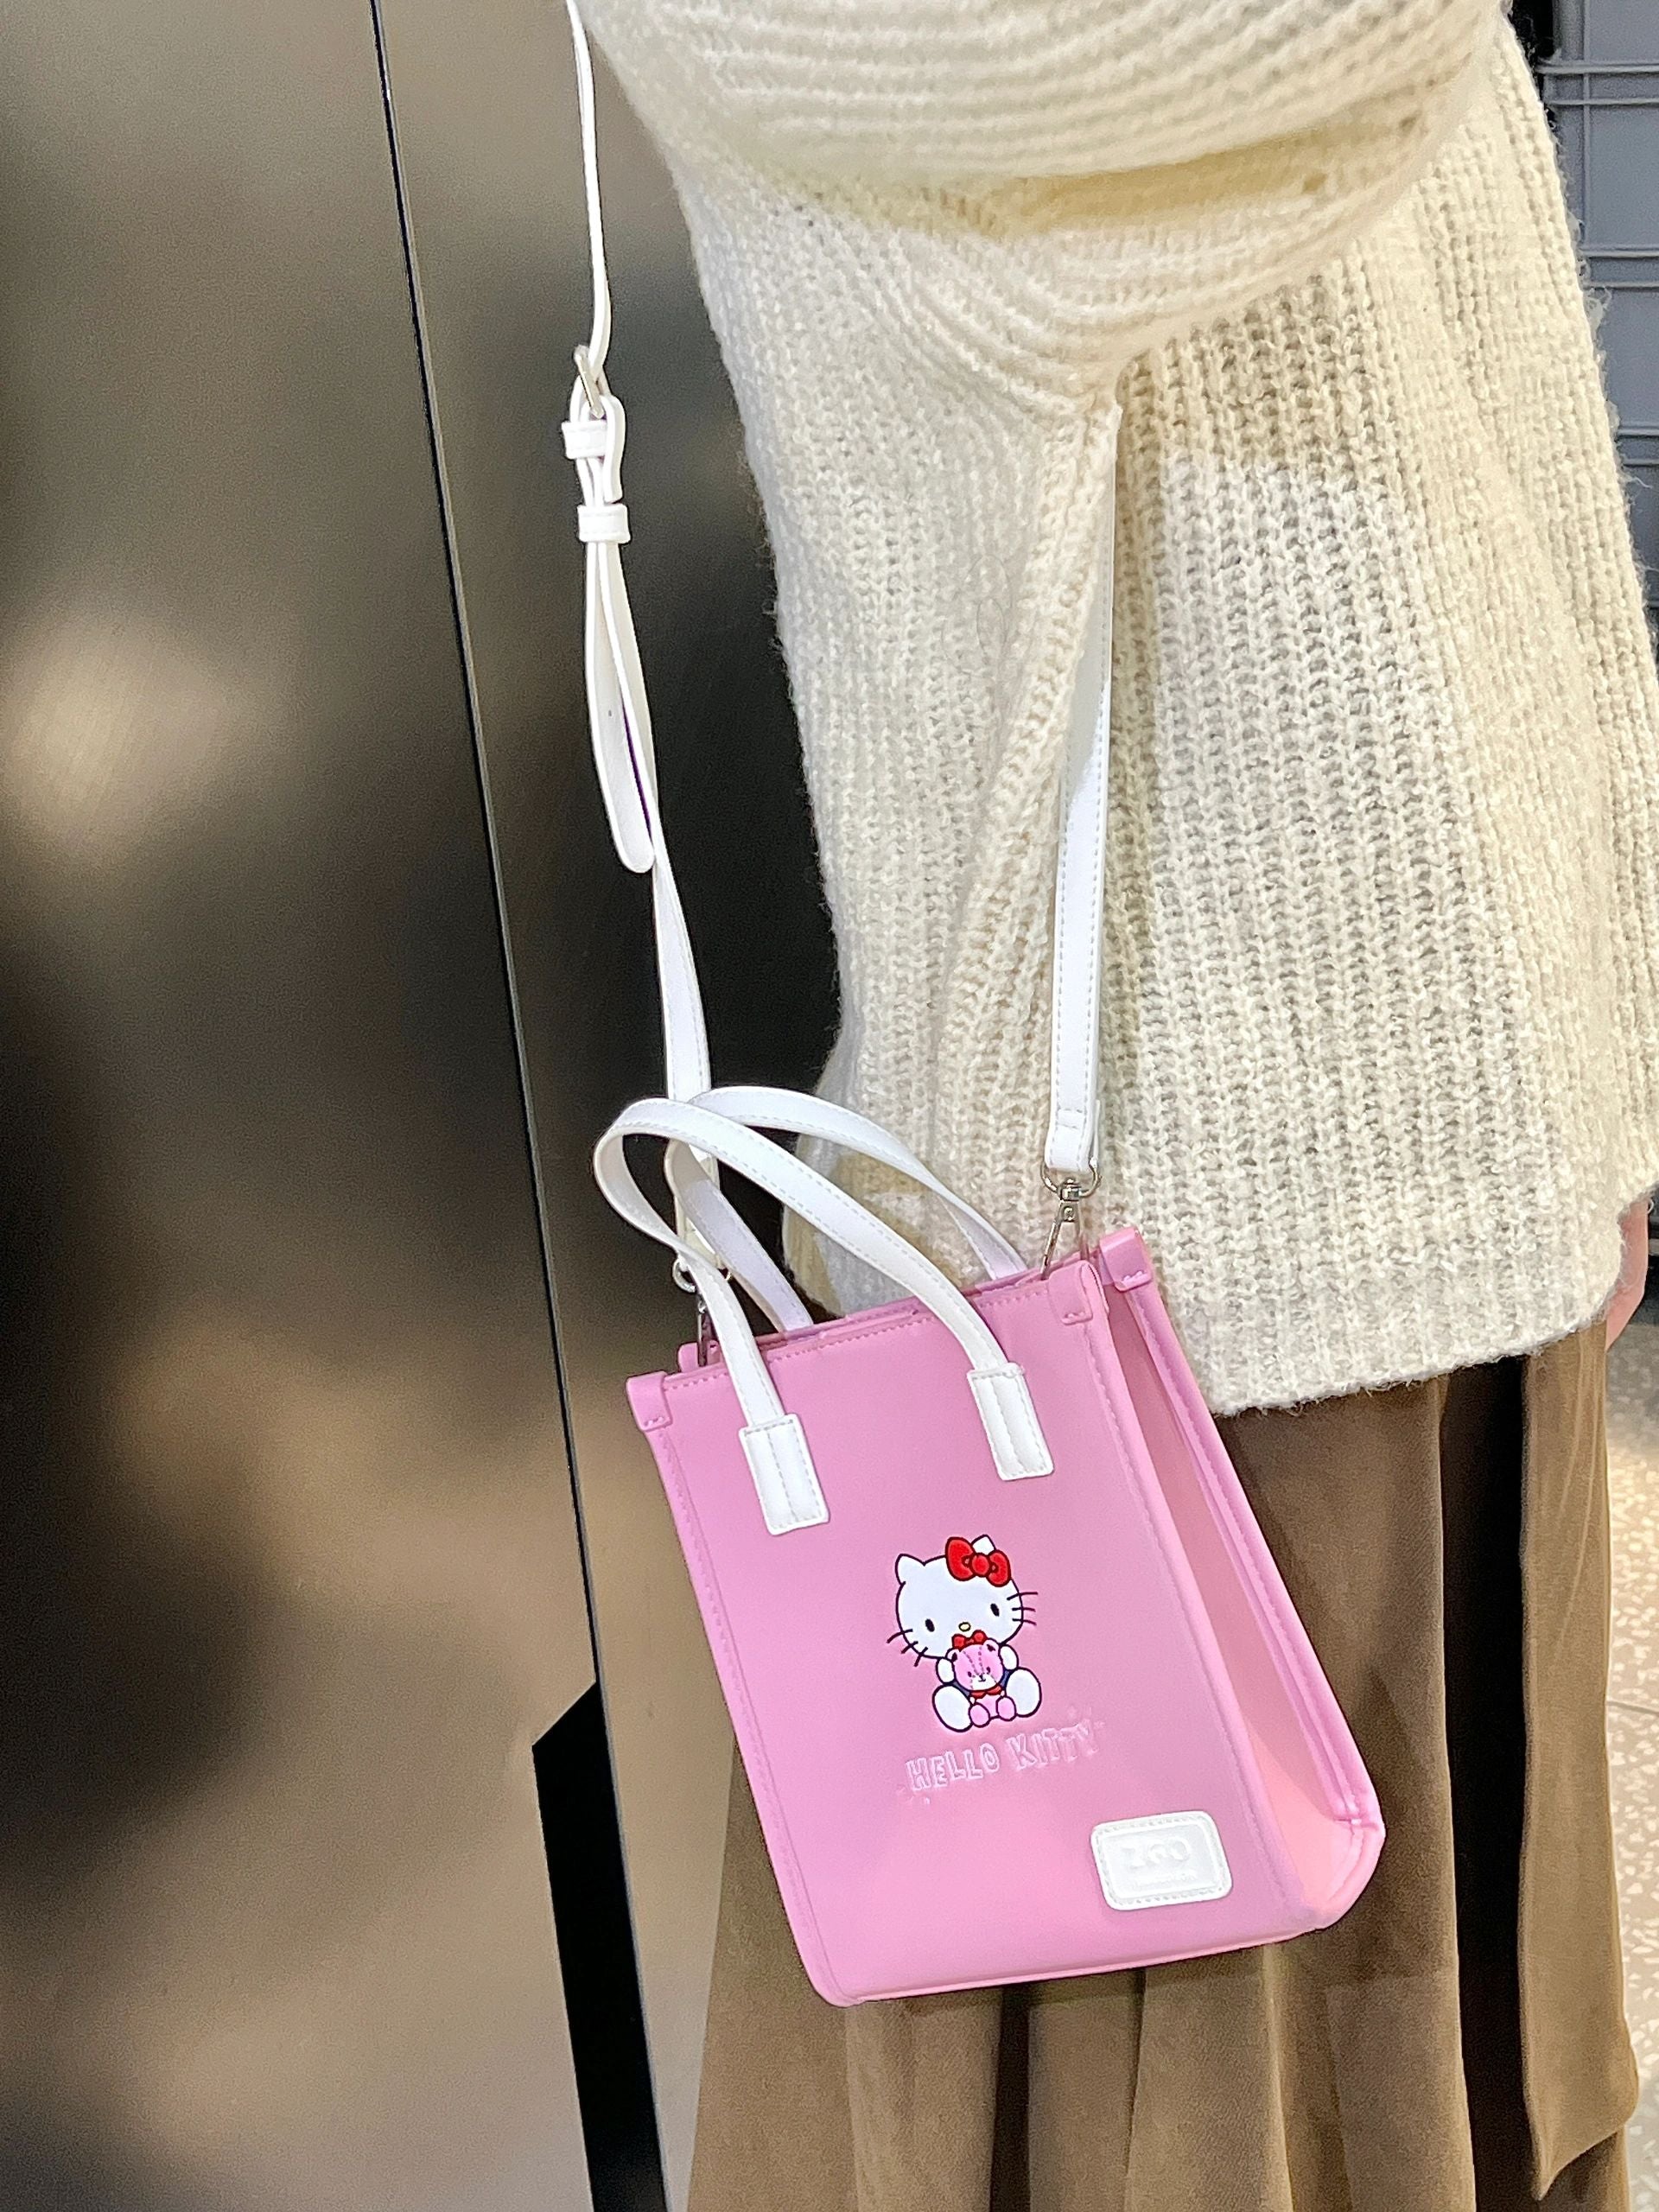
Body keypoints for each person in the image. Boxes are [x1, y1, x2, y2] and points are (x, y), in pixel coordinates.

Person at [578, 3, 1659, 2204]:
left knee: (1458, 2075)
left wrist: (1611, 1059)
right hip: (1164, 1292)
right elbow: (1243, 56)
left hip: (1474, 1177)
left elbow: (1519, 447)